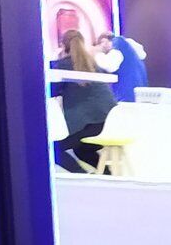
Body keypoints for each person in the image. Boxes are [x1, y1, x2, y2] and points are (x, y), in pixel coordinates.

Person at [50, 28, 117, 173]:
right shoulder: (92, 63)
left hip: (89, 123)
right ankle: (105, 176)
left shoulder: (61, 66)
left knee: (52, 149)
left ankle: (82, 178)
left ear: (63, 45)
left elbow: (50, 91)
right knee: (82, 149)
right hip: (110, 121)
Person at [94, 30, 149, 102]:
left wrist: (96, 53)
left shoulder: (118, 42)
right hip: (139, 96)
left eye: (101, 43)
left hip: (127, 96)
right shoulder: (130, 51)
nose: (102, 46)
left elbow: (110, 65)